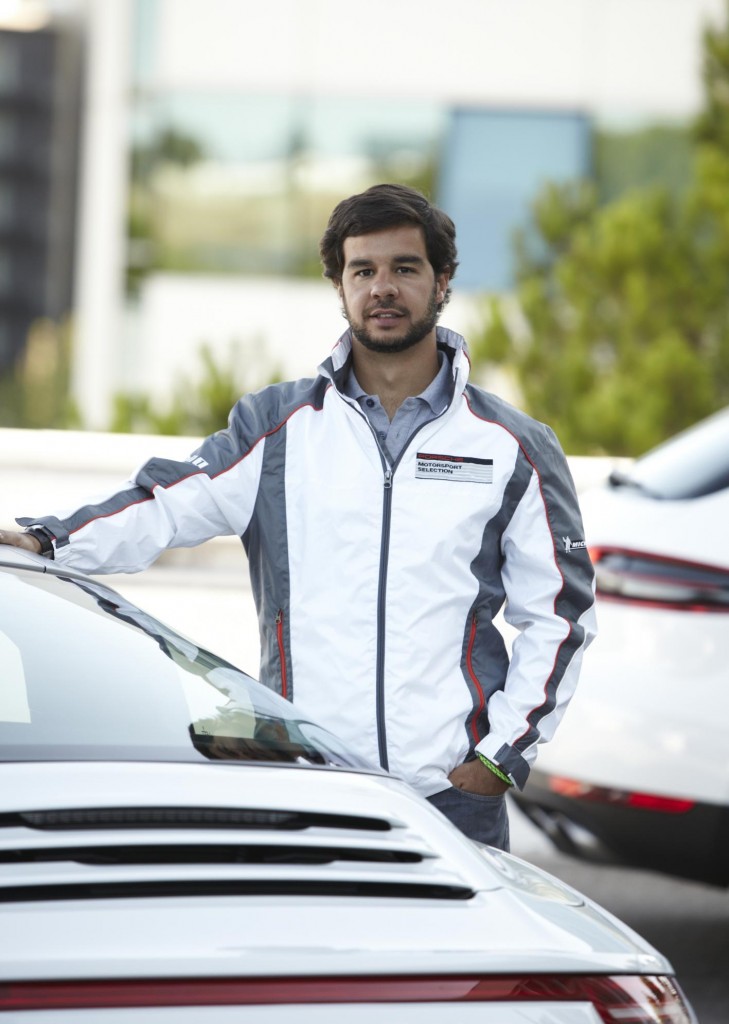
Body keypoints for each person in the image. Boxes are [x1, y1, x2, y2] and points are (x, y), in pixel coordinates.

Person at [0, 183, 596, 850]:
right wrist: (44, 540)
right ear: (339, 287)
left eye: (404, 268)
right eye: (362, 271)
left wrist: (499, 758)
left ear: (442, 281)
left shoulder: (512, 445)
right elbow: (165, 505)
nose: (382, 288)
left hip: (452, 800)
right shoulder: (277, 427)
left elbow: (560, 615)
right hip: (308, 783)